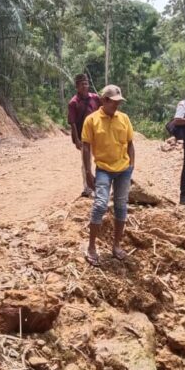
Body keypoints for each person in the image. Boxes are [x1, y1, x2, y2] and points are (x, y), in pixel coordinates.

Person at [81, 85, 134, 266]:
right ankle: (91, 247)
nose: (117, 105)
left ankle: (116, 245)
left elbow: (130, 143)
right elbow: (86, 147)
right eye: (114, 102)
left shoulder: (124, 119)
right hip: (103, 168)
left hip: (123, 169)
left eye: (119, 102)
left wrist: (131, 166)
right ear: (104, 100)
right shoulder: (91, 120)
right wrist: (88, 172)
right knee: (100, 205)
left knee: (121, 205)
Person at [67, 73, 101, 197]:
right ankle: (87, 188)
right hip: (83, 136)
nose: (85, 85)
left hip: (97, 135)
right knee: (86, 162)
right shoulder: (73, 103)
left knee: (100, 160)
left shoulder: (96, 98)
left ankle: (100, 184)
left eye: (86, 82)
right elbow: (73, 123)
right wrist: (76, 139)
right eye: (82, 84)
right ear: (77, 86)